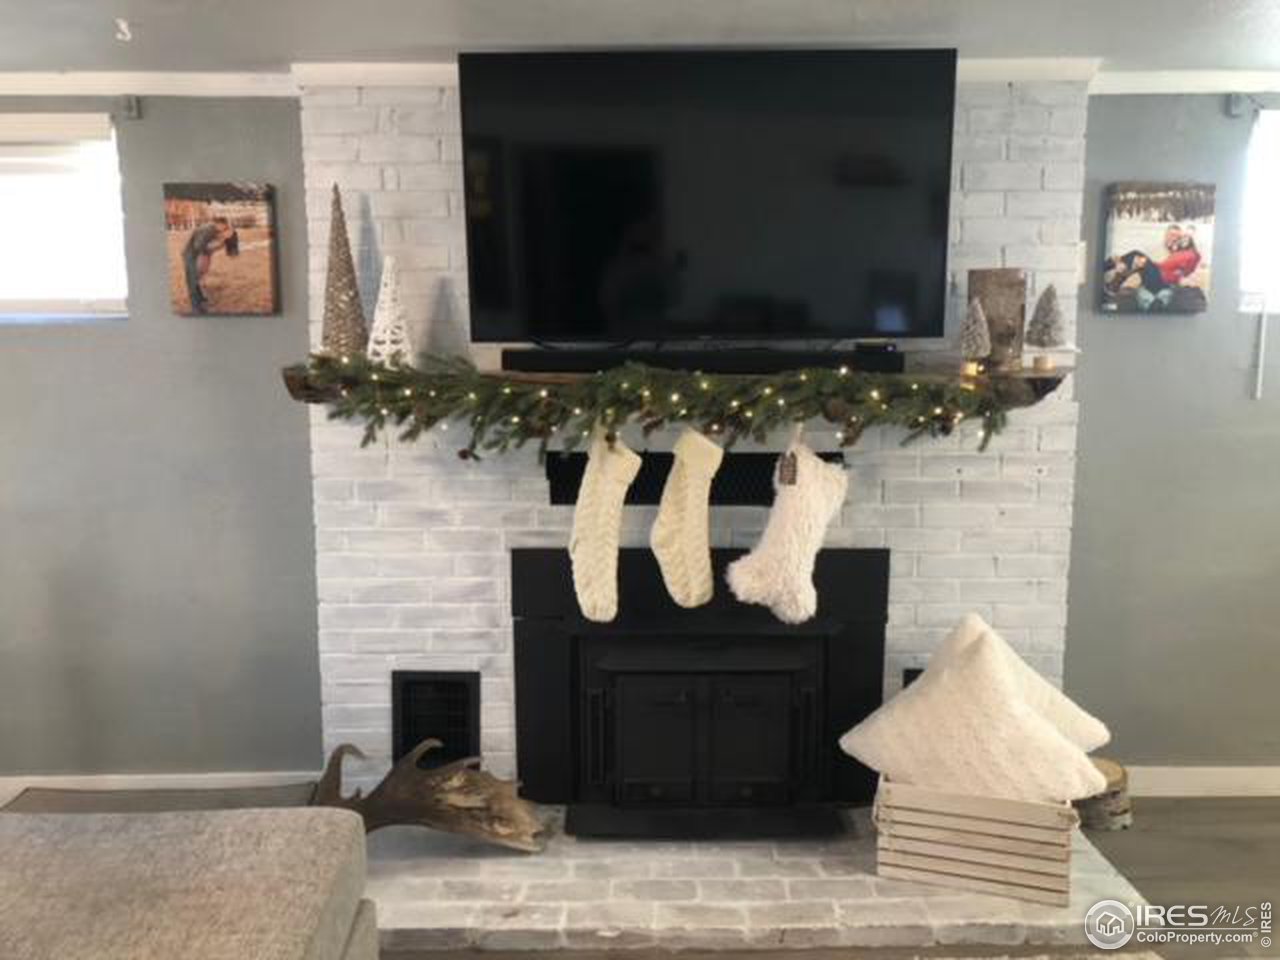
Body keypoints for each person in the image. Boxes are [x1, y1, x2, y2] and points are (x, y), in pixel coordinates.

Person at [181, 216, 238, 313]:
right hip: (191, 255)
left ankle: (200, 298)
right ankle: (196, 307)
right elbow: (198, 246)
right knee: (192, 280)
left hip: (197, 254)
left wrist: (223, 240)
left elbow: (211, 244)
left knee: (196, 278)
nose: (224, 229)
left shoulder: (214, 229)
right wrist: (216, 245)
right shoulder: (207, 229)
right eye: (224, 226)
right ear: (219, 224)